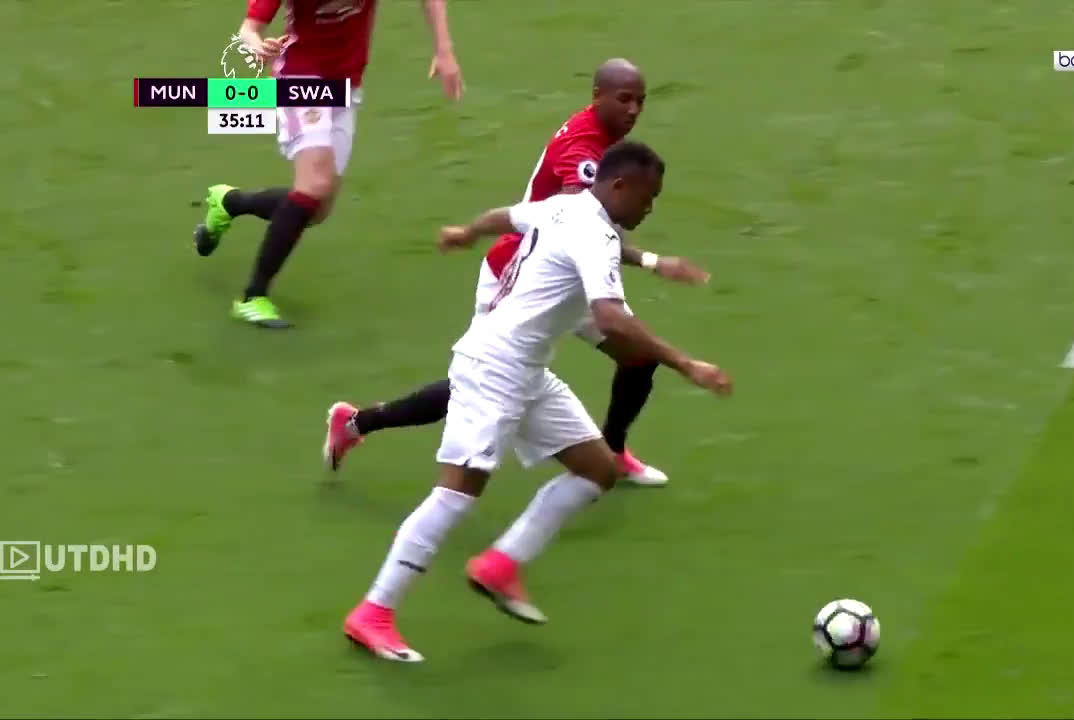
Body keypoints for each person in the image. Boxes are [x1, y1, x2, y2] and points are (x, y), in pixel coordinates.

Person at [342, 141, 732, 662]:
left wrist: (466, 231)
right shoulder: (594, 232)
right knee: (456, 494)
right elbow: (611, 317)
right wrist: (687, 364)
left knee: (598, 469)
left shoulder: (565, 206)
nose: (650, 208)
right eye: (648, 197)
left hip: (525, 371)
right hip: (493, 369)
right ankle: (373, 612)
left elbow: (505, 216)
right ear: (620, 186)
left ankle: (501, 565)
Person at [323, 59, 708, 486]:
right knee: (476, 384)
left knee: (639, 356)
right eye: (624, 99)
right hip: (522, 274)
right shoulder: (581, 150)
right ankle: (356, 423)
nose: (633, 110)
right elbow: (579, 231)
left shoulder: (605, 141)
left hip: (572, 277)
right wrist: (653, 262)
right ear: (597, 96)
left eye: (640, 101)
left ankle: (612, 453)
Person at [192, 0, 464, 329]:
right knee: (315, 185)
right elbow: (249, 28)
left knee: (316, 208)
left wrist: (444, 50)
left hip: (346, 86)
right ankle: (252, 297)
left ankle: (229, 203)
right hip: (300, 78)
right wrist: (258, 46)